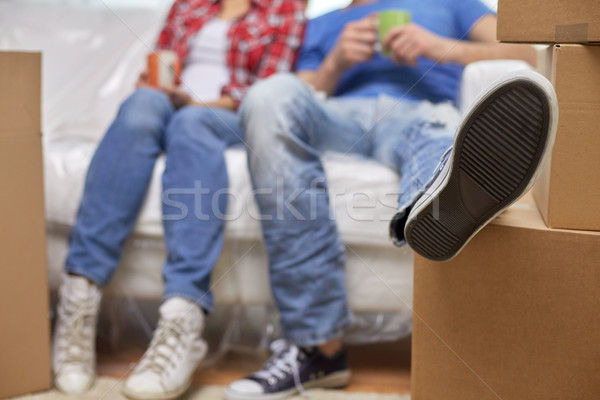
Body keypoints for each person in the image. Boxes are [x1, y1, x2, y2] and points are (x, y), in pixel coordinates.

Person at [224, 0, 557, 399]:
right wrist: (335, 62)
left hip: (415, 112)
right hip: (337, 118)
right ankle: (318, 345)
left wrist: (439, 47)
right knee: (267, 94)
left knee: (433, 131)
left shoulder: (451, 3)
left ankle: (437, 199)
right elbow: (296, 93)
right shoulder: (321, 23)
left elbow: (528, 53)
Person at [51, 0, 306, 399]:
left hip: (225, 114)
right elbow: (159, 63)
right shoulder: (188, 7)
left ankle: (183, 316)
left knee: (192, 124)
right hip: (170, 104)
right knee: (140, 105)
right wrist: (156, 87)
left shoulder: (283, 10)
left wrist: (196, 103)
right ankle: (79, 297)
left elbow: (268, 90)